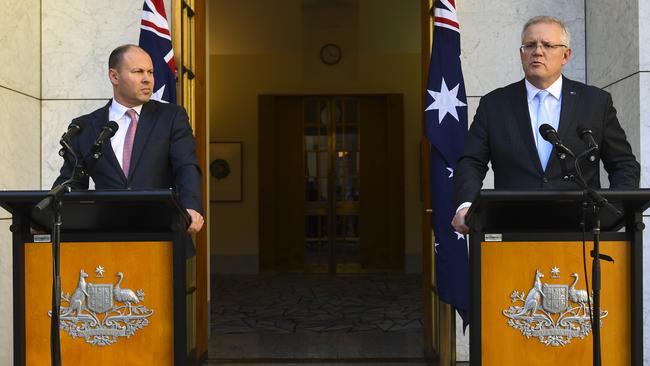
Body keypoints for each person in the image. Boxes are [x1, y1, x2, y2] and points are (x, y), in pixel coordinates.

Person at [451, 16, 640, 234]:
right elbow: (471, 162)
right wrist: (466, 206)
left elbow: (623, 163)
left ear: (565, 55)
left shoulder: (595, 102)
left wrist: (614, 213)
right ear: (522, 54)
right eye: (530, 45)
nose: (538, 51)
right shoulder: (494, 104)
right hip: (512, 230)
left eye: (548, 45)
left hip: (580, 233)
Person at [53, 44, 204, 236]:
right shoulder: (85, 127)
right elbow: (71, 181)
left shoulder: (171, 117)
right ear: (114, 76)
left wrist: (190, 208)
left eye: (150, 72)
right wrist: (46, 215)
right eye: (138, 72)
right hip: (106, 236)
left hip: (163, 233)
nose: (147, 79)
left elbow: (186, 166)